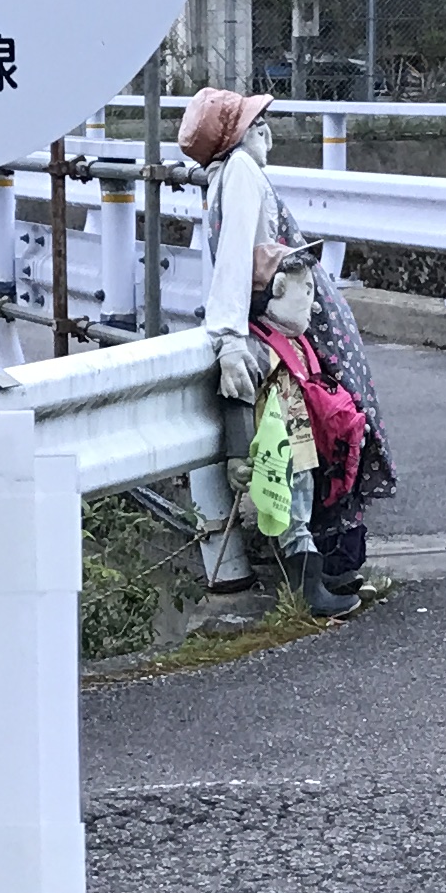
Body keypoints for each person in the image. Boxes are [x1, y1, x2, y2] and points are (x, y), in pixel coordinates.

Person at [174, 85, 397, 618]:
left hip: (275, 327)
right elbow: (235, 262)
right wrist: (228, 335)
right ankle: (315, 576)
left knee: (304, 440)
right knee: (311, 437)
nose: (265, 133)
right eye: (256, 124)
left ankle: (318, 571)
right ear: (238, 136)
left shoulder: (224, 179)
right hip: (284, 329)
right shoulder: (244, 175)